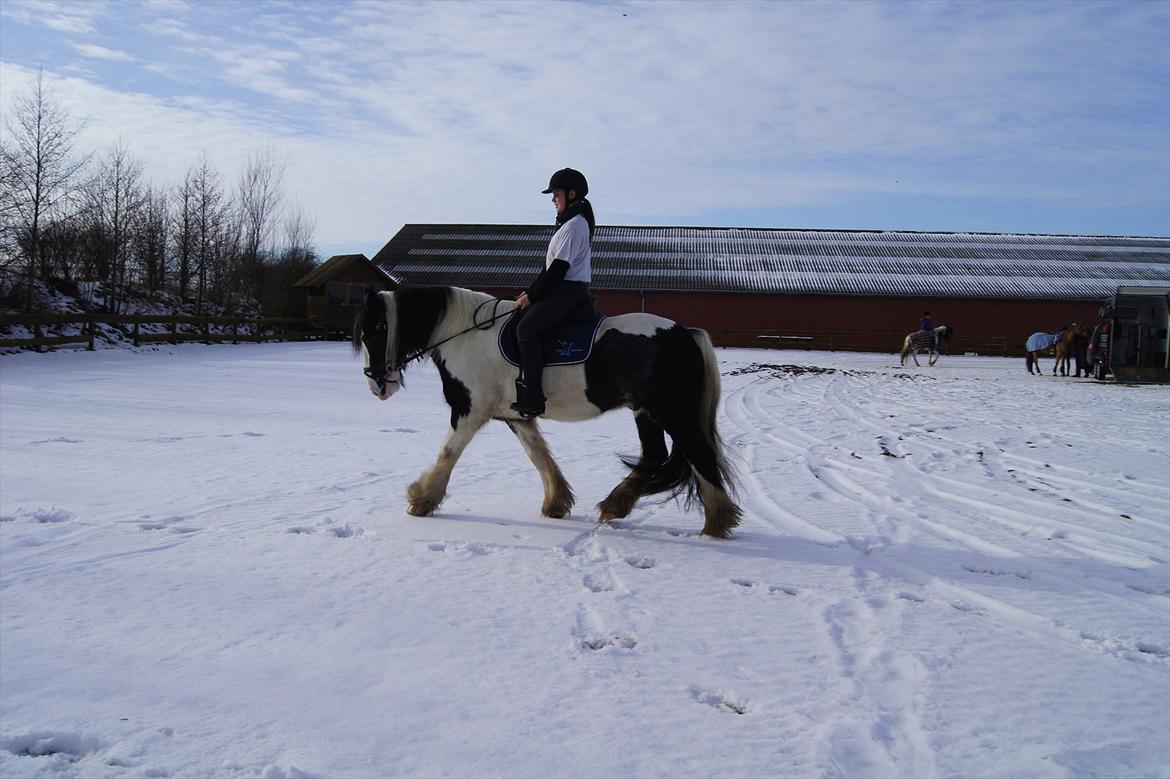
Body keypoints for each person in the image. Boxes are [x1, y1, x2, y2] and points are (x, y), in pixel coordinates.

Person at [509, 167, 596, 417]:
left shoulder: (575, 225)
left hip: (569, 292)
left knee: (526, 330)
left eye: (556, 194)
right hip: (562, 289)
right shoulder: (568, 224)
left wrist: (533, 296)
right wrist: (529, 292)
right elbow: (547, 269)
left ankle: (534, 398)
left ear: (571, 194)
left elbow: (557, 270)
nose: (553, 199)